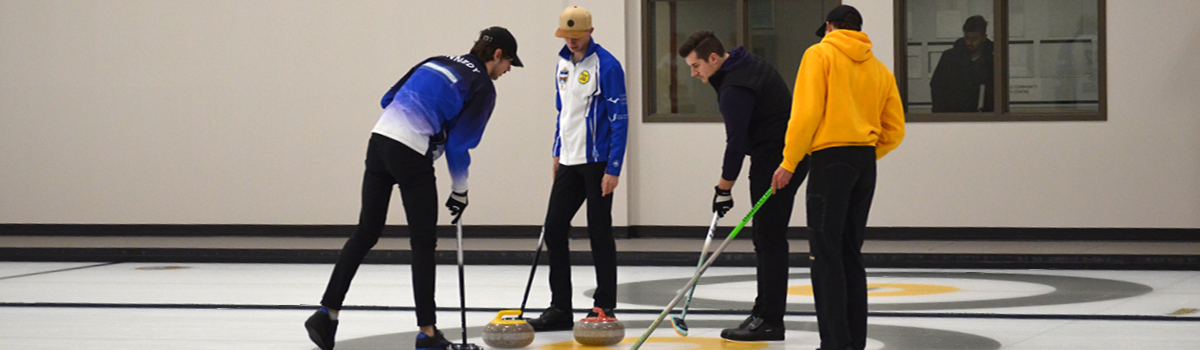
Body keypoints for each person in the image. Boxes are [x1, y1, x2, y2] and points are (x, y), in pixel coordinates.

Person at [303, 26, 523, 350]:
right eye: (508, 64)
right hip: (411, 151)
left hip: (379, 141)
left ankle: (326, 314)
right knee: (422, 242)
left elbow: (387, 98)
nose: (506, 72)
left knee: (366, 231)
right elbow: (460, 146)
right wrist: (460, 189)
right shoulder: (482, 86)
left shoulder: (436, 60)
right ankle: (428, 334)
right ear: (497, 54)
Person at [771, 5, 904, 350]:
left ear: (829, 26)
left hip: (830, 161)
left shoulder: (819, 54)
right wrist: (864, 154)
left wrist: (788, 162)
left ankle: (834, 343)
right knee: (849, 252)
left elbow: (806, 112)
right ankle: (853, 342)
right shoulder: (879, 69)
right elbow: (895, 129)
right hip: (864, 163)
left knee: (825, 255)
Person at [677, 30, 807, 341]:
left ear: (713, 58)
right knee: (765, 237)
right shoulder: (744, 65)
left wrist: (723, 190)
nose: (694, 74)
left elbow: (735, 145)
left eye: (696, 66)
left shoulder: (734, 87)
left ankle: (771, 320)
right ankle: (763, 311)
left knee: (769, 238)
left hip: (777, 162)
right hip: (782, 155)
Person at [526, 5, 628, 331]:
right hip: (569, 161)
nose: (571, 41)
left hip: (597, 162)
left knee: (599, 232)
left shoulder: (607, 66)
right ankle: (560, 307)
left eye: (577, 35)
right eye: (566, 35)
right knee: (554, 228)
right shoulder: (561, 64)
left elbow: (620, 120)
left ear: (590, 32)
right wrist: (556, 151)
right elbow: (562, 111)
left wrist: (614, 167)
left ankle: (604, 305)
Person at [930, 15, 994, 112]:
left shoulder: (992, 60)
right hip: (952, 115)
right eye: (967, 38)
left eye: (974, 39)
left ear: (984, 37)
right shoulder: (949, 58)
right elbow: (937, 86)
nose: (969, 43)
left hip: (983, 117)